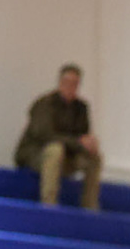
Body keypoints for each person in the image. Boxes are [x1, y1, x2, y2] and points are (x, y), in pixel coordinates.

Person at [14, 64, 102, 210]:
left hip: (67, 157)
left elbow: (82, 136)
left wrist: (89, 144)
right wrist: (77, 142)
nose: (70, 86)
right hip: (37, 154)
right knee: (55, 150)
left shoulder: (81, 108)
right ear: (60, 82)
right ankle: (49, 204)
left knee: (94, 157)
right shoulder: (45, 104)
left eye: (74, 83)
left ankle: (90, 207)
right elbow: (45, 135)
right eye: (67, 82)